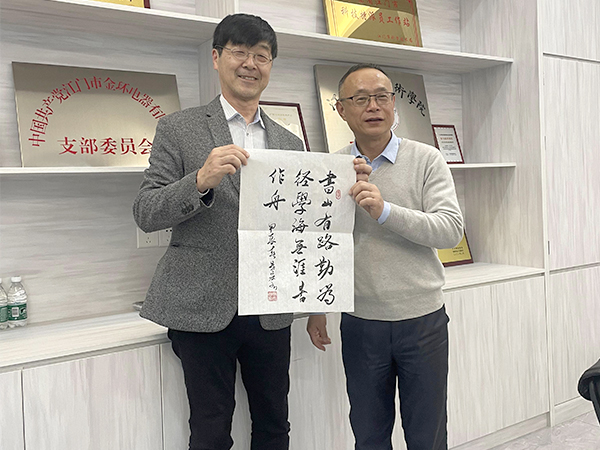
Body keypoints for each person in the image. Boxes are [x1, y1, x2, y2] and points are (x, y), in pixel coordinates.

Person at [133, 14, 305, 450]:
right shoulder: (179, 128)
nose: (250, 64)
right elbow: (146, 212)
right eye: (239, 52)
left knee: (275, 425)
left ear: (271, 65)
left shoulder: (291, 144)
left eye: (261, 56)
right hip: (202, 305)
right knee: (210, 431)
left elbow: (296, 230)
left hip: (270, 307)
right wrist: (198, 181)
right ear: (216, 58)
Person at [306, 63, 464, 450]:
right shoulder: (331, 169)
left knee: (427, 435)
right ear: (341, 110)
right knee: (369, 435)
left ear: (394, 104)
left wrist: (384, 211)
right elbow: (320, 241)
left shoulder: (426, 159)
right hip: (361, 322)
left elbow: (450, 229)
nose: (373, 106)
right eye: (360, 99)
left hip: (422, 321)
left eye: (381, 96)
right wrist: (316, 307)